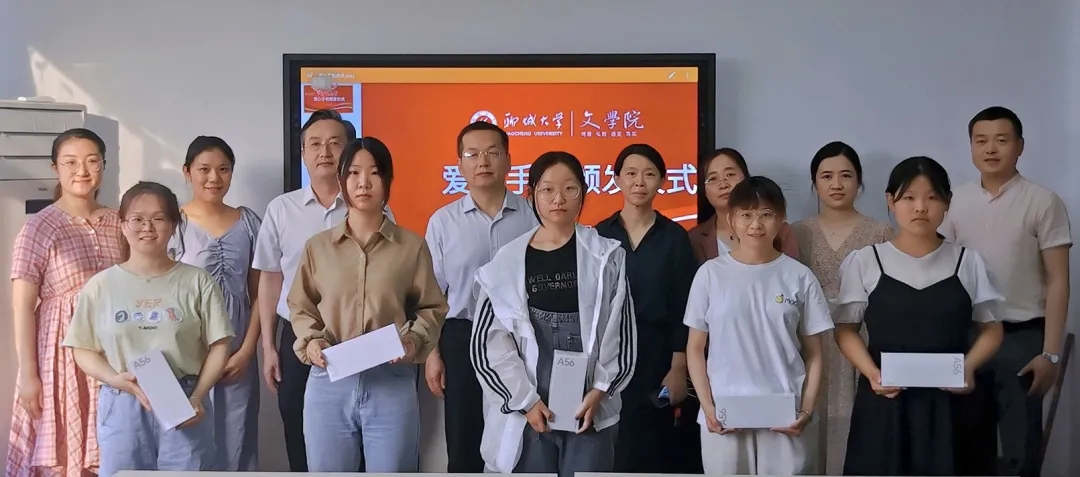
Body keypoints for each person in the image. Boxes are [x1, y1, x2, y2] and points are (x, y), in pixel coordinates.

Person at [470, 152, 637, 477]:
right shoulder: (506, 263)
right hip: (530, 407)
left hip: (589, 407)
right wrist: (526, 401)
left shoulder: (607, 257)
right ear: (531, 195)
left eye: (569, 189)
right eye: (547, 190)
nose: (558, 199)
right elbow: (489, 345)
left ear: (583, 193)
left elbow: (621, 334)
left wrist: (600, 390)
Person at [836, 156, 1005, 475]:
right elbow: (846, 330)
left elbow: (992, 329)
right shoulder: (866, 261)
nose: (920, 208)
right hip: (886, 402)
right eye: (909, 198)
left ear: (947, 202)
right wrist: (872, 373)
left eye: (932, 197)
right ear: (891, 201)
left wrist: (968, 368)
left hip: (952, 405)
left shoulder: (968, 262)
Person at [287, 136, 447, 471]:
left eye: (374, 173)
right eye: (354, 173)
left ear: (387, 181)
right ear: (342, 180)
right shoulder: (318, 247)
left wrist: (412, 339)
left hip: (391, 381)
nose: (364, 183)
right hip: (330, 379)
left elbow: (431, 307)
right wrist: (312, 341)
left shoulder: (411, 247)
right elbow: (301, 306)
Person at [62, 181, 234, 475]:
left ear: (173, 224)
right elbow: (82, 349)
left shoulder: (197, 281)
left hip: (184, 398)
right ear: (123, 225)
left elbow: (220, 344)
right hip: (123, 401)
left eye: (158, 219)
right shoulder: (100, 286)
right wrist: (116, 380)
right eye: (137, 219)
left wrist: (197, 396)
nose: (147, 228)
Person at [254, 109, 390, 471]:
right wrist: (268, 347)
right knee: (298, 427)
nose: (324, 152)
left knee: (359, 431)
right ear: (303, 153)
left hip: (357, 335)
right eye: (314, 144)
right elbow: (270, 279)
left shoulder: (373, 206)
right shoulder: (281, 209)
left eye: (334, 143)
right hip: (298, 336)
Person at [941, 106, 1071, 477]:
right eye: (981, 140)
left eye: (1001, 139)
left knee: (1020, 449)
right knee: (967, 446)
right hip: (968, 336)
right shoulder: (954, 201)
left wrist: (1051, 354)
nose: (991, 148)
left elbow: (1059, 280)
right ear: (970, 147)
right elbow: (942, 271)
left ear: (1020, 146)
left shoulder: (1043, 201)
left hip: (1021, 338)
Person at [685, 176, 832, 475]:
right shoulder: (710, 275)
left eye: (766, 214)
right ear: (731, 219)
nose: (756, 224)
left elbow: (815, 353)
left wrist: (806, 409)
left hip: (785, 414)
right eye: (746, 215)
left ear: (781, 218)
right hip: (725, 415)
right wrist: (708, 407)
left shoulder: (800, 277)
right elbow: (695, 348)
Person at [7, 128, 126, 477]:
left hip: (112, 351)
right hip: (59, 357)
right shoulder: (39, 227)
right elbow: (22, 306)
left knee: (112, 449)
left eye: (92, 161)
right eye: (70, 162)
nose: (82, 171)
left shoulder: (119, 221)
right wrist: (29, 375)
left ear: (103, 165)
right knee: (63, 455)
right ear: (55, 168)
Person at [423, 121, 537, 473]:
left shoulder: (534, 216)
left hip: (524, 338)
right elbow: (431, 295)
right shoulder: (443, 222)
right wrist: (432, 354)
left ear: (508, 160)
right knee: (464, 439)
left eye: (492, 152)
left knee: (522, 435)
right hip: (463, 336)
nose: (483, 161)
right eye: (472, 154)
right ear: (460, 164)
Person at [594, 144, 696, 473]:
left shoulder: (675, 238)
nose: (640, 182)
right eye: (631, 173)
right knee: (612, 442)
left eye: (649, 174)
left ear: (662, 181)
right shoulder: (599, 235)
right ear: (616, 179)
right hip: (609, 355)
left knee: (656, 441)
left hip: (658, 356)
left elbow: (685, 305)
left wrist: (678, 367)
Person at [791, 141, 891, 474]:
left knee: (855, 429)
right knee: (806, 426)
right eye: (826, 176)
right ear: (814, 183)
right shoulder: (796, 232)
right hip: (809, 343)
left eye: (846, 175)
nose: (836, 184)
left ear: (859, 182)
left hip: (860, 341)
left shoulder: (880, 232)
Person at [170, 136, 262, 470]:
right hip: (189, 350)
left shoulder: (248, 222)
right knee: (191, 438)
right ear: (187, 172)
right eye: (204, 169)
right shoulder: (173, 223)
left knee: (237, 435)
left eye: (223, 169)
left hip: (238, 347)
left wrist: (247, 350)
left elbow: (260, 294)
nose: (214, 178)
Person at [689, 148, 800, 263]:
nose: (723, 184)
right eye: (712, 179)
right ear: (705, 192)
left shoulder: (780, 230)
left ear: (746, 178)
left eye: (730, 174)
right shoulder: (695, 238)